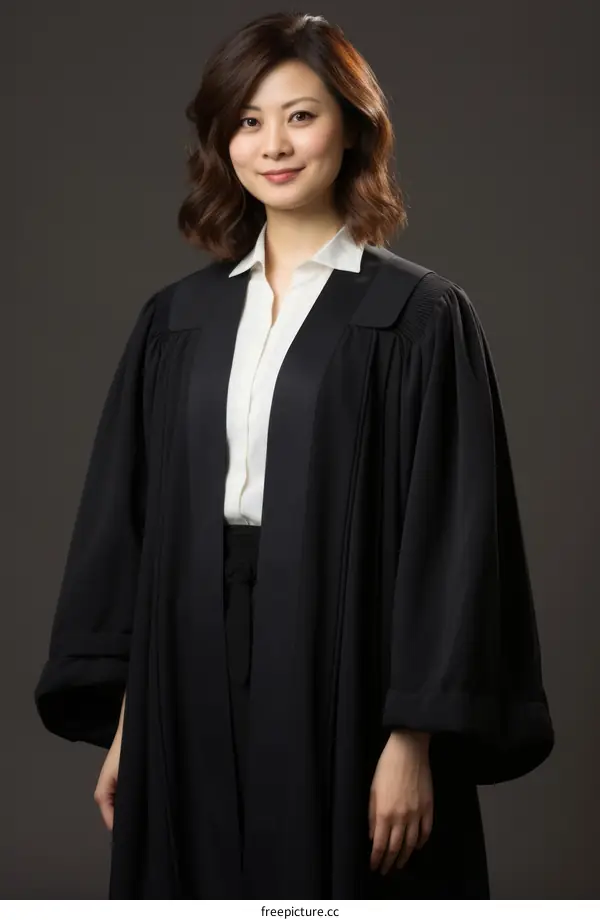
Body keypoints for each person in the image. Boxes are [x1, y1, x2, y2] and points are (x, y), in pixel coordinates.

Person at [33, 11, 555, 899]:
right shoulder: (178, 321)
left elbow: (454, 541)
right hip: (187, 659)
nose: (273, 143)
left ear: (351, 127)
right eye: (247, 119)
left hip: (344, 657)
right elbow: (129, 526)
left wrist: (413, 739)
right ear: (222, 138)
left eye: (301, 115)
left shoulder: (419, 319)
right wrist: (132, 719)